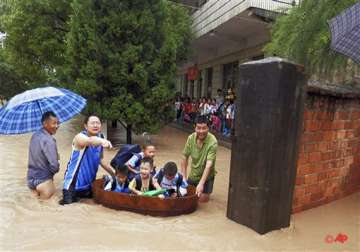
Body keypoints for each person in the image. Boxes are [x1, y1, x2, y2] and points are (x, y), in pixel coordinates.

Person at [59, 115, 114, 205]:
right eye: (92, 123)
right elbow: (89, 141)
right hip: (72, 187)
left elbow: (100, 160)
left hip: (89, 186)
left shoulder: (101, 137)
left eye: (98, 123)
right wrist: (102, 141)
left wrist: (114, 174)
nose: (95, 125)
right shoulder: (79, 137)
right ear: (85, 126)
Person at [181, 115, 218, 203]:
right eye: (198, 128)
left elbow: (209, 165)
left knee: (202, 201)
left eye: (204, 128)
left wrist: (201, 184)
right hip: (194, 175)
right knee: (186, 197)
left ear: (208, 128)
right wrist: (184, 178)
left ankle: (206, 191)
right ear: (195, 128)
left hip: (207, 177)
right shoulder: (190, 138)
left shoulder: (213, 142)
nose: (201, 131)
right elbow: (184, 157)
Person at [27, 111, 60, 199]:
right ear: (45, 123)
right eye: (54, 123)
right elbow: (55, 166)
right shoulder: (49, 140)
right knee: (46, 210)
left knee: (34, 209)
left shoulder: (34, 136)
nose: (57, 126)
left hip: (30, 180)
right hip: (44, 181)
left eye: (58, 123)